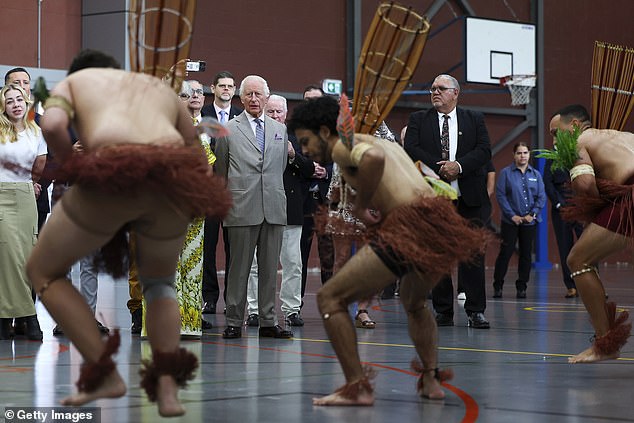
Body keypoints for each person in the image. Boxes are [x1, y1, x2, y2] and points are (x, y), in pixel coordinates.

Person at [25, 50, 231, 416]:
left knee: (43, 271)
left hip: (112, 182)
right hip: (166, 189)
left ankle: (104, 373)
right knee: (160, 284)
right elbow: (197, 156)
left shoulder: (77, 82)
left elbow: (54, 126)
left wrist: (75, 166)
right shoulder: (159, 90)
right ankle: (167, 391)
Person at [287, 95, 488, 405]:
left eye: (305, 141)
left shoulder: (343, 146)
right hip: (438, 224)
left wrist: (362, 202)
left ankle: (358, 387)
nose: (304, 150)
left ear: (325, 132)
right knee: (414, 301)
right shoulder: (389, 143)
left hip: (410, 228)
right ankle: (431, 379)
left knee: (330, 298)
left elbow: (372, 162)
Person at [541, 106, 633, 363]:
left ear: (575, 126)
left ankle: (605, 344)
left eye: (555, 133)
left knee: (578, 260)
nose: (555, 142)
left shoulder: (578, 142)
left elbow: (585, 186)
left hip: (630, 200)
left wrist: (594, 205)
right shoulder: (622, 136)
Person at [404, 74, 492, 328]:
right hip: (435, 197)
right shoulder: (419, 119)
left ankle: (476, 310)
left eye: (441, 88)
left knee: (472, 253)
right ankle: (443, 310)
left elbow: (485, 150)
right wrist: (441, 167)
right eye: (432, 88)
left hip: (470, 198)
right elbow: (411, 148)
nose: (435, 92)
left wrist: (459, 166)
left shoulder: (474, 119)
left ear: (455, 93)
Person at [215, 75, 292, 339]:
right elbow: (221, 169)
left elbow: (280, 167)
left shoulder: (280, 130)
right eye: (249, 94)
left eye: (259, 94)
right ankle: (235, 320)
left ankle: (269, 321)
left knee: (271, 269)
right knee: (239, 269)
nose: (254, 99)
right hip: (241, 206)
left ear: (267, 97)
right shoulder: (228, 130)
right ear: (241, 97)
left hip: (273, 206)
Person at [245, 94, 315, 327]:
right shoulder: (254, 135)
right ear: (264, 111)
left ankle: (292, 309)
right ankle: (254, 309)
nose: (275, 115)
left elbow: (309, 169)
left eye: (279, 112)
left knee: (293, 262)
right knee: (256, 263)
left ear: (286, 114)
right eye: (271, 111)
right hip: (259, 206)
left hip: (289, 209)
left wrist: (293, 155)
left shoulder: (298, 138)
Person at [0, 83, 46, 341]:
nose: (16, 104)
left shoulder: (36, 131)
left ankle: (5, 319)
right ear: (3, 107)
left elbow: (40, 164)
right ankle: (29, 317)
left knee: (27, 257)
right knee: (10, 257)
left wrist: (32, 184)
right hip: (1, 195)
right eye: (10, 101)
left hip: (26, 196)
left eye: (20, 99)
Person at [200, 71, 242, 314]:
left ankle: (232, 300)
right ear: (213, 88)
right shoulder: (202, 115)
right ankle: (210, 298)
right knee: (208, 246)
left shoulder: (241, 117)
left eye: (230, 85)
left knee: (233, 248)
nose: (226, 89)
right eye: (222, 85)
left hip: (235, 191)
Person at [544, 105, 589, 298]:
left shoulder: (584, 149)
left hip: (581, 207)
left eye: (556, 132)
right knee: (566, 248)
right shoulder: (552, 157)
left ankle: (591, 285)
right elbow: (548, 183)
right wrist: (559, 204)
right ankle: (571, 285)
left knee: (588, 247)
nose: (555, 138)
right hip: (562, 208)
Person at [492, 142, 545, 299]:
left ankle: (522, 286)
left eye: (525, 153)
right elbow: (500, 195)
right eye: (519, 153)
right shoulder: (506, 174)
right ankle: (498, 285)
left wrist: (532, 214)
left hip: (529, 222)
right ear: (514, 155)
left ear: (529, 154)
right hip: (510, 222)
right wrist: (511, 215)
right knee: (506, 253)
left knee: (526, 255)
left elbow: (541, 197)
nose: (522, 156)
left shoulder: (536, 175)